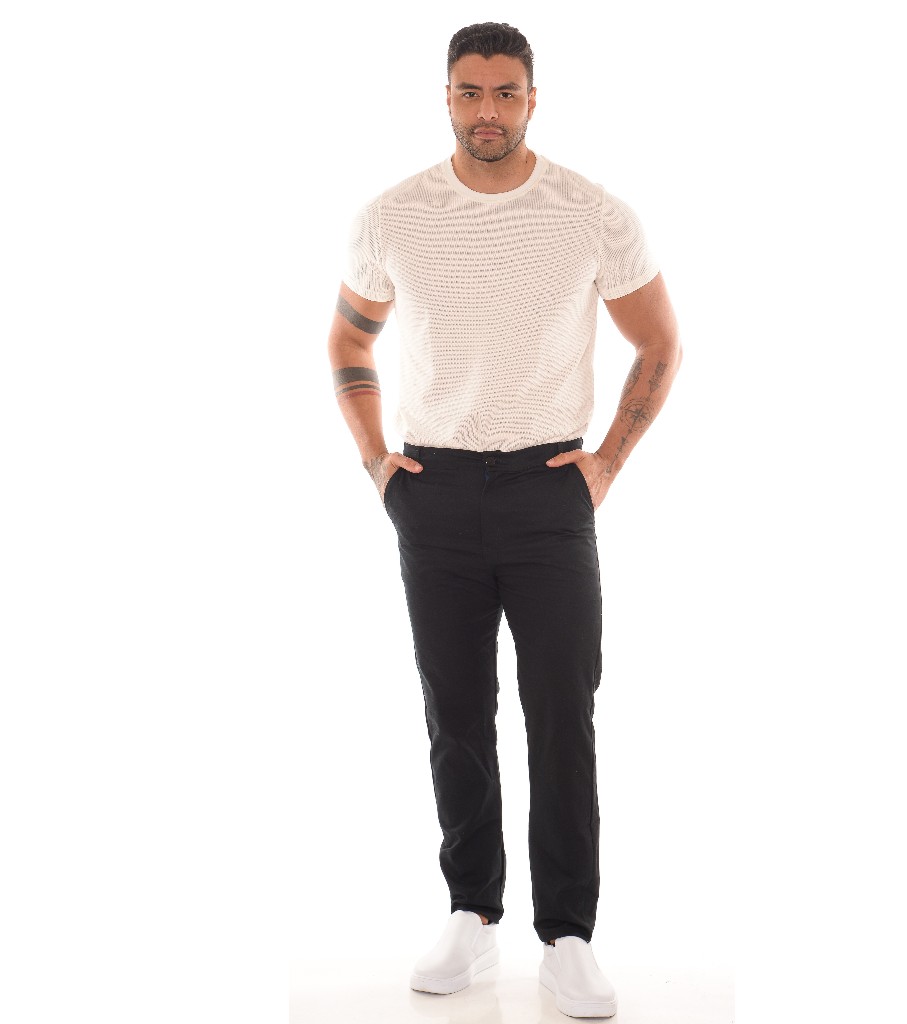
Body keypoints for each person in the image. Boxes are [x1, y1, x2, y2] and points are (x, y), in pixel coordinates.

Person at [327, 22, 680, 1019]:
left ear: (533, 97)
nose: (487, 111)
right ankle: (471, 913)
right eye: (469, 92)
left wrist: (605, 463)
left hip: (547, 489)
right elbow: (349, 338)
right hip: (431, 488)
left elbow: (659, 343)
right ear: (446, 96)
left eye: (506, 92)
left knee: (561, 709)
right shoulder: (393, 215)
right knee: (455, 712)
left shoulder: (591, 213)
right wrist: (377, 463)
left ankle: (567, 934)